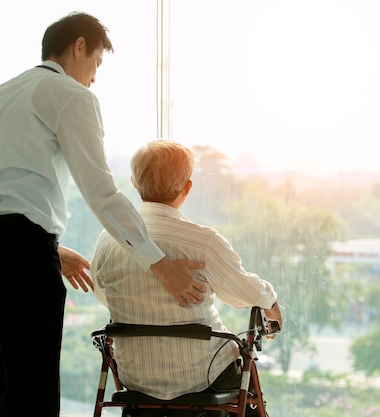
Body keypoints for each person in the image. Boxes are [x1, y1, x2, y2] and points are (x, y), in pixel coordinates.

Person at [0, 12, 205, 417]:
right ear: (78, 46)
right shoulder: (72, 96)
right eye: (96, 64)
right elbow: (101, 192)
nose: (93, 77)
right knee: (31, 386)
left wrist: (51, 248)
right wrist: (158, 263)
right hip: (21, 249)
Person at [92, 140, 283, 406]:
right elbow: (246, 295)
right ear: (187, 187)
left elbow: (104, 296)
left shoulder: (107, 240)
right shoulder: (202, 242)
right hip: (204, 375)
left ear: (134, 183)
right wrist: (271, 301)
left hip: (135, 377)